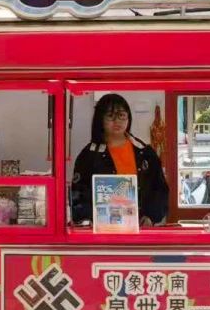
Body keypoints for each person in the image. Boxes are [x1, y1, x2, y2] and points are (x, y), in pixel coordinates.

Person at [71, 94, 170, 226]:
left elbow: (160, 190)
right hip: (101, 230)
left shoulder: (145, 153)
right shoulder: (88, 156)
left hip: (140, 228)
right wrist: (86, 219)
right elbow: (77, 193)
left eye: (121, 115)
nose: (117, 121)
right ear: (100, 119)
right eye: (110, 115)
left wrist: (150, 217)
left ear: (128, 118)